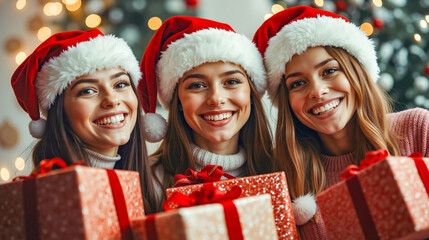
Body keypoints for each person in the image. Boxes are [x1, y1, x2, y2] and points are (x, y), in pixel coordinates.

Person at [253, 5, 429, 239]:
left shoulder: (417, 128)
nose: (317, 91)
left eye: (329, 71)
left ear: (355, 72)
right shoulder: (280, 172)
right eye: (297, 83)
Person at [11, 29, 157, 213]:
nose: (112, 100)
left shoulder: (157, 185)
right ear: (59, 112)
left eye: (120, 84)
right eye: (88, 90)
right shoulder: (43, 202)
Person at [138, 16, 273, 210]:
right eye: (197, 85)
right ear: (178, 102)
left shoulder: (282, 169)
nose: (216, 98)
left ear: (251, 92)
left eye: (232, 81)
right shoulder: (147, 181)